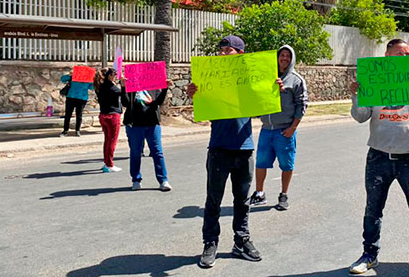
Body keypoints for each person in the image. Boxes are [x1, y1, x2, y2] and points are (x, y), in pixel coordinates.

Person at [348, 38, 409, 277]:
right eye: (399, 54)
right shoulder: (375, 82)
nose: (404, 59)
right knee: (373, 209)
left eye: (408, 55)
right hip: (379, 157)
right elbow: (360, 116)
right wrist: (357, 95)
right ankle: (369, 255)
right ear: (386, 57)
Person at [187, 35, 273, 268]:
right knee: (213, 200)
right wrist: (194, 93)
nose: (223, 54)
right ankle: (210, 243)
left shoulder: (252, 81)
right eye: (221, 51)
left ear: (240, 54)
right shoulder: (210, 78)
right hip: (218, 149)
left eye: (229, 51)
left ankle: (241, 241)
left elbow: (267, 111)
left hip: (244, 149)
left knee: (242, 201)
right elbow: (203, 110)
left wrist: (274, 90)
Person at [249, 45, 308, 210]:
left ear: (292, 59)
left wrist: (293, 128)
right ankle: (259, 193)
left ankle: (283, 195)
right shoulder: (267, 77)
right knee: (261, 163)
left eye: (288, 56)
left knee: (287, 165)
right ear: (277, 57)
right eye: (281, 55)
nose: (284, 58)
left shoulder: (296, 80)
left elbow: (302, 105)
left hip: (285, 131)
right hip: (266, 129)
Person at [121, 79, 172, 192]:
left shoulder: (153, 86)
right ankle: (136, 180)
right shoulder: (132, 86)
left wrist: (165, 88)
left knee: (157, 152)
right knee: (135, 152)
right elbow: (125, 103)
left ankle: (163, 180)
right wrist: (124, 87)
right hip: (135, 125)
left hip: (152, 124)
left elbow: (159, 102)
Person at [94, 68, 122, 173]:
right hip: (112, 116)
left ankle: (106, 162)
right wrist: (122, 84)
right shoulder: (112, 87)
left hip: (103, 116)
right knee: (112, 141)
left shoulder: (100, 86)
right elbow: (122, 93)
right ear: (109, 76)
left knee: (107, 141)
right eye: (114, 74)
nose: (116, 76)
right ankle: (109, 164)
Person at [59, 71, 93, 137]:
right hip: (71, 97)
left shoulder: (87, 78)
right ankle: (65, 130)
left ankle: (77, 130)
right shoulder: (73, 76)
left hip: (81, 98)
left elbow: (92, 87)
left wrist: (92, 80)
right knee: (68, 114)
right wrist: (69, 75)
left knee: (79, 115)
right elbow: (62, 79)